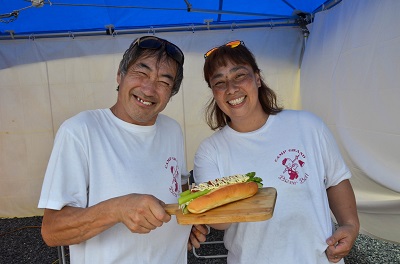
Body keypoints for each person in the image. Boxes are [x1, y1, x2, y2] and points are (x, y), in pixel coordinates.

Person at [38, 35, 207, 264]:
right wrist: (117, 209)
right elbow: (52, 231)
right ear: (120, 74)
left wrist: (186, 224)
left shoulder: (172, 130)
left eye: (164, 82)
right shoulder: (80, 131)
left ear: (171, 93)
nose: (149, 89)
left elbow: (178, 187)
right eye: (141, 73)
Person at [193, 40, 360, 263]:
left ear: (258, 78)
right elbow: (220, 222)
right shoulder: (209, 151)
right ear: (214, 93)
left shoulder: (307, 125)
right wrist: (205, 207)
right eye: (219, 83)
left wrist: (350, 224)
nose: (231, 89)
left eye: (239, 75)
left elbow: (336, 180)